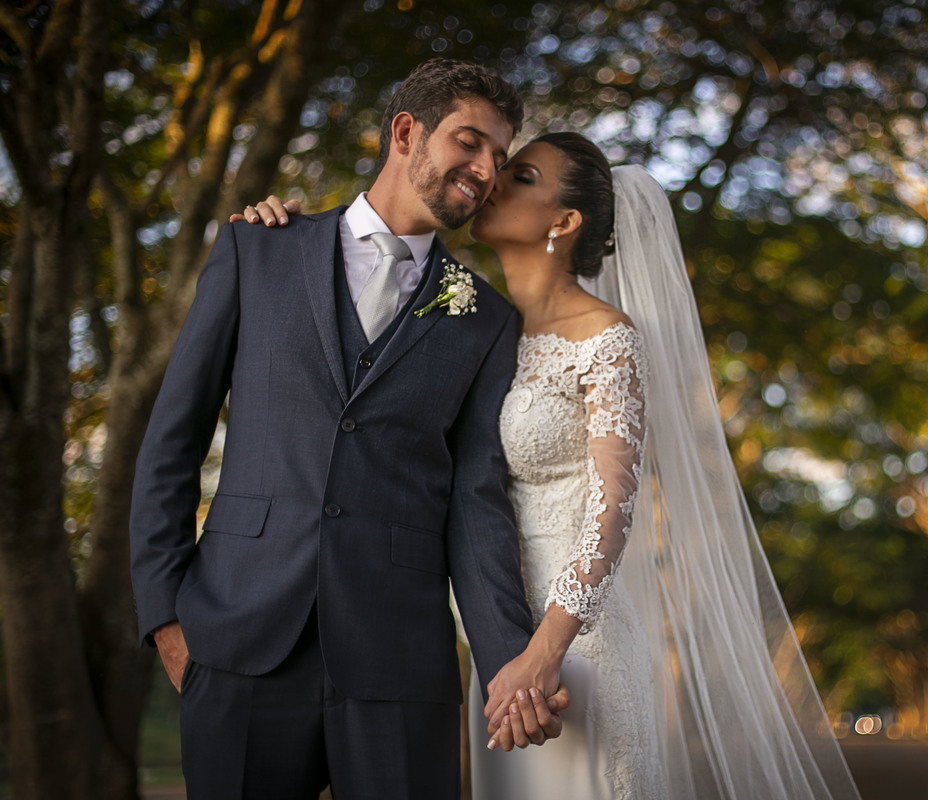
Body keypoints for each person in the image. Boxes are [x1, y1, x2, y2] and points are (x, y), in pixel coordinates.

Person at [239, 132, 862, 799]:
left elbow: (614, 506)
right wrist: (284, 231)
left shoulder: (605, 337)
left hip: (573, 652)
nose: (493, 181)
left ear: (563, 223)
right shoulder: (473, 322)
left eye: (522, 175)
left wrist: (544, 652)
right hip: (496, 639)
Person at [129, 58, 567, 800]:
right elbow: (173, 438)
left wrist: (507, 664)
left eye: (499, 157)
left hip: (398, 661)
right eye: (470, 143)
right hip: (237, 641)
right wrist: (167, 620)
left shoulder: (486, 319)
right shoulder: (258, 248)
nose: (486, 170)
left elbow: (475, 498)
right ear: (406, 132)